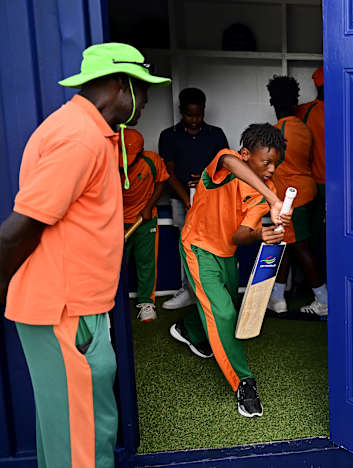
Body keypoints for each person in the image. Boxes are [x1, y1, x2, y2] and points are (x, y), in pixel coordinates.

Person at [0, 43, 169, 467]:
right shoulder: (79, 138)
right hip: (65, 311)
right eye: (143, 88)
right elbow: (19, 228)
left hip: (77, 308)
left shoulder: (89, 131)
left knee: (76, 435)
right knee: (81, 443)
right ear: (120, 86)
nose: (147, 99)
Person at [168, 123, 291, 418]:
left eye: (276, 164)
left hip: (227, 252)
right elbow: (229, 161)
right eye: (267, 162)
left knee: (226, 308)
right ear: (246, 154)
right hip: (198, 248)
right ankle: (243, 382)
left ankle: (189, 329)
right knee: (223, 314)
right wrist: (273, 199)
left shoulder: (265, 191)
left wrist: (261, 234)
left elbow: (240, 236)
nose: (272, 169)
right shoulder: (225, 163)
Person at [159, 87, 229, 309]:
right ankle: (189, 290)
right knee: (188, 245)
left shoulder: (216, 134)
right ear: (182, 111)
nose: (195, 120)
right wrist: (187, 199)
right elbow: (168, 173)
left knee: (212, 245)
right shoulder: (169, 136)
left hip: (211, 199)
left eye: (199, 115)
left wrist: (207, 178)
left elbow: (227, 167)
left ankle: (212, 290)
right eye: (190, 115)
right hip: (181, 199)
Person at [265, 76, 328, 317]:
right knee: (289, 245)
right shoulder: (302, 127)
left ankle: (323, 300)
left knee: (300, 248)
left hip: (291, 198)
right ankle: (277, 298)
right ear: (295, 102)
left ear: (272, 101)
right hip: (307, 192)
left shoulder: (276, 133)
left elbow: (266, 165)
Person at [121, 128, 171, 322]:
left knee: (146, 262)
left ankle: (146, 302)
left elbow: (161, 182)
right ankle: (112, 303)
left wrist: (149, 206)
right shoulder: (108, 162)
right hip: (116, 221)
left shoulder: (151, 160)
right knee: (115, 265)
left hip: (144, 219)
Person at [295, 66, 326, 276]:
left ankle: (306, 282)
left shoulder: (303, 110)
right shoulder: (346, 107)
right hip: (327, 185)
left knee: (306, 237)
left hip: (311, 184)